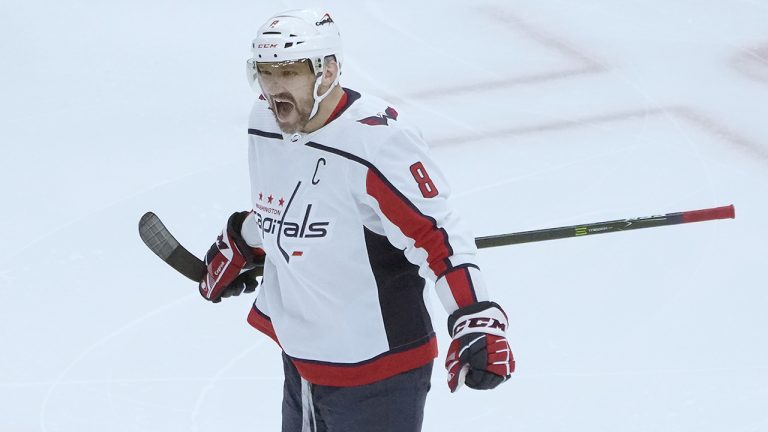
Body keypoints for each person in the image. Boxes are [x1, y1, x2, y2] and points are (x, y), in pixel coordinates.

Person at [197, 9, 514, 432]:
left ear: (327, 71)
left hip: (377, 374)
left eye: (289, 72)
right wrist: (244, 237)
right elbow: (292, 205)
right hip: (302, 360)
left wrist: (475, 317)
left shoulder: (376, 143)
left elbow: (437, 237)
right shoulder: (265, 122)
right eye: (266, 72)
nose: (273, 88)